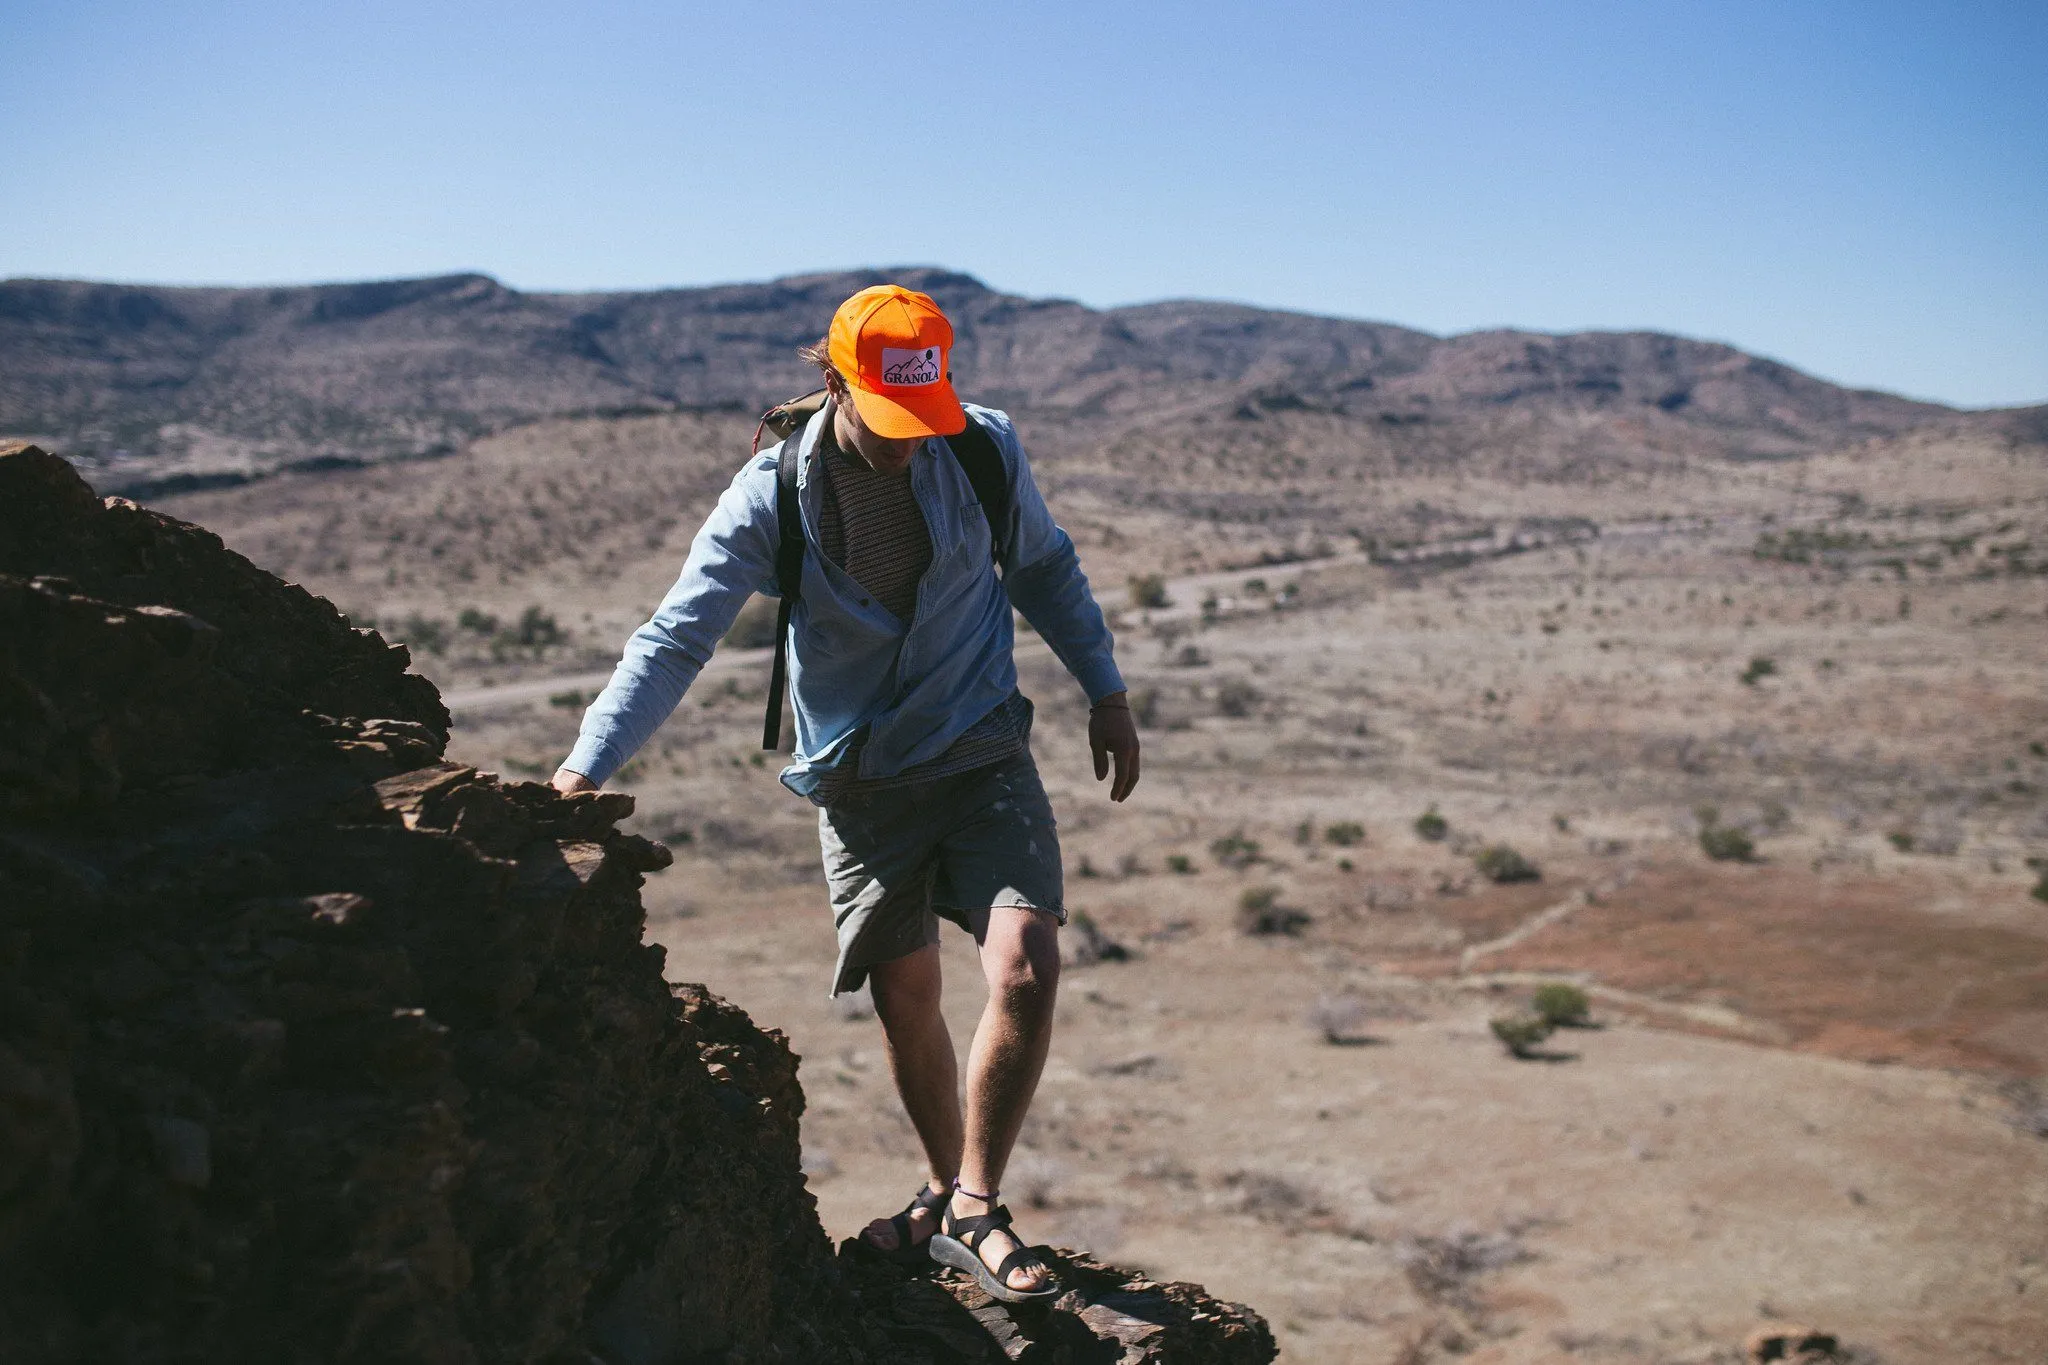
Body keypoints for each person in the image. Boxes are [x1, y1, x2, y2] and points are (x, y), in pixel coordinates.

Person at [551, 284, 1139, 1301]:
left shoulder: (982, 448)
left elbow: (1042, 565)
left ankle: (972, 1206)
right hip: (862, 780)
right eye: (893, 421)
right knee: (905, 996)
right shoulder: (770, 493)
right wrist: (579, 772)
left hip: (981, 746)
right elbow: (674, 638)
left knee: (1027, 965)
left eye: (928, 419)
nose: (914, 443)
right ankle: (940, 1188)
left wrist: (1105, 689)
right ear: (835, 381)